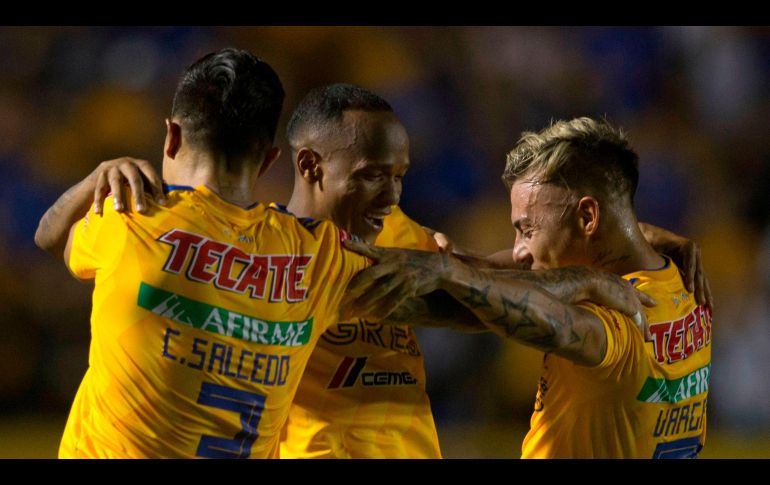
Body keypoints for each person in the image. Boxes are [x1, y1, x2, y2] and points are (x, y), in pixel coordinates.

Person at [39, 84, 666, 459]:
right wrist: (591, 283)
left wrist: (633, 243)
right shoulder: (299, 260)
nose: (392, 195)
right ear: (309, 166)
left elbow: (494, 274)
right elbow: (477, 299)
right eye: (372, 176)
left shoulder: (396, 238)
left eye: (400, 176)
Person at [33, 48, 373, 458]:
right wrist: (437, 262)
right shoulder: (320, 254)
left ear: (172, 137)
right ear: (268, 160)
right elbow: (427, 293)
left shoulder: (133, 217)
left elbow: (49, 236)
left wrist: (97, 178)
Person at [343, 117, 712, 458]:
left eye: (528, 230)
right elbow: (496, 272)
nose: (519, 250)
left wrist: (446, 273)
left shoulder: (622, 312)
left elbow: (521, 314)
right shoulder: (683, 280)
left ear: (587, 217)